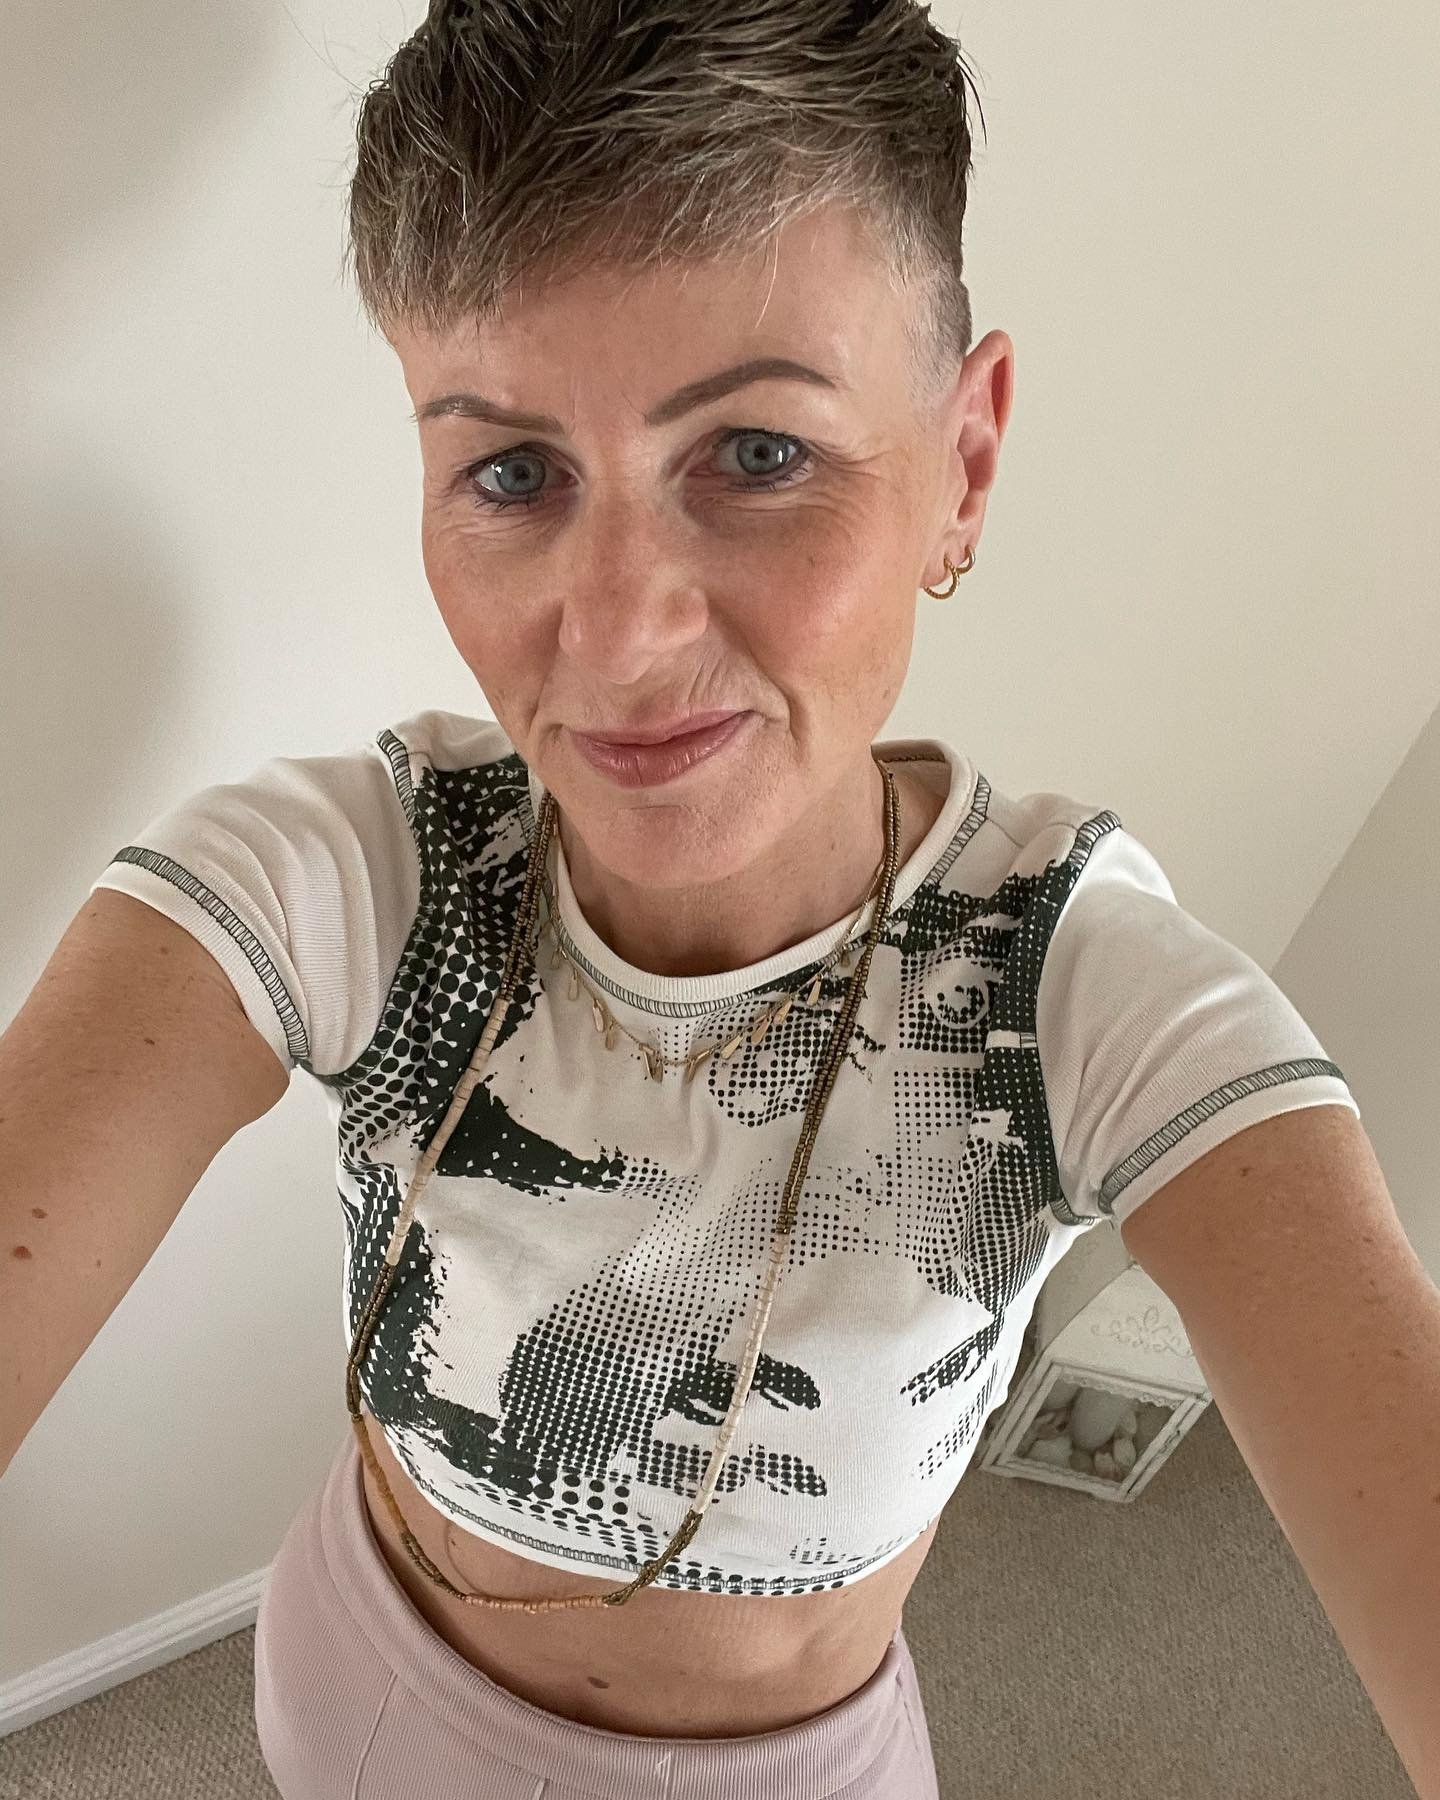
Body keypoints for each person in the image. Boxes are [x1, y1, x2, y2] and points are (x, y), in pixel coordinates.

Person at [5, 2, 1360, 1796]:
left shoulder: (1066, 995)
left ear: (963, 466)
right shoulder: (367, 876)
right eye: (513, 474)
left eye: (758, 454)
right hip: (350, 1669)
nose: (624, 638)